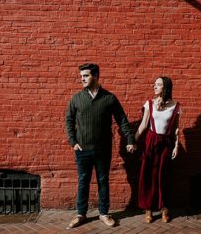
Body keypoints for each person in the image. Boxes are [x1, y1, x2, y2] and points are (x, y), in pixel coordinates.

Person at [65, 63, 136, 229]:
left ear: (96, 76)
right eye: (81, 76)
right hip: (82, 149)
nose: (82, 79)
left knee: (103, 181)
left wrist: (130, 139)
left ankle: (104, 213)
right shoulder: (76, 98)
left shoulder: (109, 98)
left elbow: (122, 120)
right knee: (83, 181)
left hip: (103, 149)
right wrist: (73, 142)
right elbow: (69, 121)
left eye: (86, 75)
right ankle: (80, 214)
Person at [134, 76, 182, 223]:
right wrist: (133, 141)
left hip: (166, 143)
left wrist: (176, 145)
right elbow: (143, 125)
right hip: (150, 142)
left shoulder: (176, 106)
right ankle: (148, 208)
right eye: (154, 84)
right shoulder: (149, 104)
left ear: (166, 87)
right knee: (148, 175)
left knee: (163, 175)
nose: (154, 86)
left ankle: (164, 208)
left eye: (158, 84)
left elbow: (176, 129)